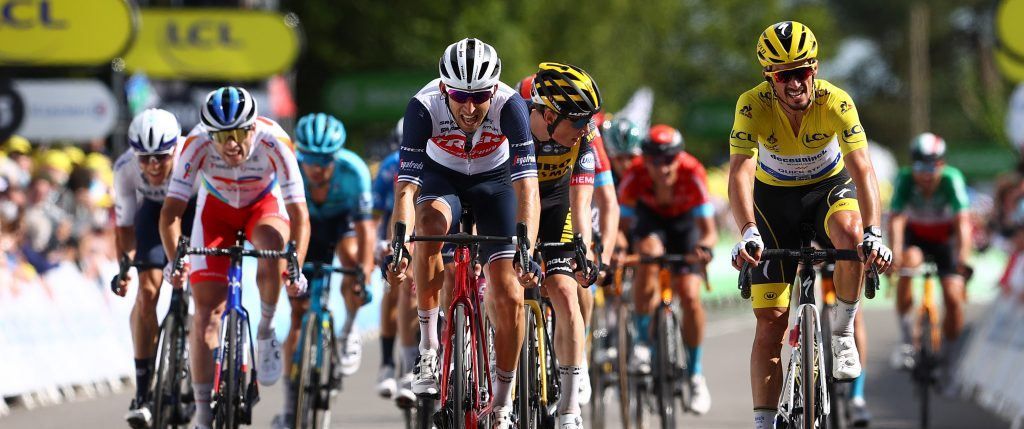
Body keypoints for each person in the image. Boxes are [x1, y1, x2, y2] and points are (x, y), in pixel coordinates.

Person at [726, 22, 892, 429]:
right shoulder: (752, 105)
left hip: (828, 191)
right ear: (770, 78)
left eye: (802, 71)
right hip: (773, 201)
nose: (795, 83)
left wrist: (875, 232)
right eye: (785, 75)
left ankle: (842, 331)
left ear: (814, 69)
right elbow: (740, 173)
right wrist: (748, 230)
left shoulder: (837, 102)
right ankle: (764, 421)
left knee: (852, 237)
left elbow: (863, 167)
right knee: (770, 322)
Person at [385, 38, 540, 428]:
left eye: (479, 97)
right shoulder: (423, 107)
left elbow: (527, 190)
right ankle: (428, 346)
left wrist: (527, 249)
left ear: (494, 90)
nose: (469, 108)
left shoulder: (510, 106)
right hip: (443, 180)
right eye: (459, 96)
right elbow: (406, 189)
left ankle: (502, 404)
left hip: (496, 183)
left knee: (507, 294)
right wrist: (399, 245)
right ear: (443, 89)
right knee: (430, 227)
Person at [159, 86, 310, 429]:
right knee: (205, 317)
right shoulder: (195, 144)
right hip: (216, 211)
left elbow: (299, 215)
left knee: (272, 248)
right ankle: (201, 414)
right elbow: (171, 213)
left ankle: (267, 328)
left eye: (239, 133)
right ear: (209, 134)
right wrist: (174, 259)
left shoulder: (275, 141)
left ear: (253, 128)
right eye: (222, 136)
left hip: (263, 207)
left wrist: (295, 264)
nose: (231, 144)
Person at [271, 112, 376, 428]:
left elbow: (366, 230)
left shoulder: (353, 171)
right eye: (311, 159)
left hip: (340, 225)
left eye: (326, 160)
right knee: (297, 315)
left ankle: (350, 327)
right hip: (303, 227)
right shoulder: (288, 169)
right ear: (300, 155)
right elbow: (280, 225)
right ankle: (291, 404)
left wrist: (363, 275)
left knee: (352, 258)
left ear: (337, 155)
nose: (318, 168)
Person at [521, 62, 602, 428]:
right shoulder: (513, 125)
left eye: (590, 119)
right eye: (579, 119)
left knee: (566, 293)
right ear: (550, 114)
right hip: (515, 202)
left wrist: (583, 247)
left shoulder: (585, 135)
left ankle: (570, 409)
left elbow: (581, 199)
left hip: (557, 205)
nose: (587, 128)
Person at [618, 124, 716, 414]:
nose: (664, 168)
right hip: (652, 224)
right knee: (648, 255)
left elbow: (708, 231)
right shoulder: (634, 174)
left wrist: (705, 250)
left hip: (685, 226)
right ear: (646, 160)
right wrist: (620, 250)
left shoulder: (693, 171)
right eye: (656, 162)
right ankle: (642, 342)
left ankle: (696, 373)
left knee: (689, 296)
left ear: (680, 157)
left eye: (670, 160)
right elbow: (622, 230)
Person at [112, 109, 197, 428]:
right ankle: (144, 391)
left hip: (194, 214)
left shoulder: (195, 157)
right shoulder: (125, 168)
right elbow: (124, 226)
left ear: (176, 148)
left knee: (205, 291)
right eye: (144, 158)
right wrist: (125, 268)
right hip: (153, 215)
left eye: (161, 156)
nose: (152, 166)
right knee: (147, 295)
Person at [889, 133, 972, 365]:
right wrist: (895, 253)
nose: (926, 174)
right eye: (920, 165)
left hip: (946, 240)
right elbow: (896, 220)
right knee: (908, 264)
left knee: (954, 298)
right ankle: (907, 342)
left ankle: (948, 355)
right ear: (911, 165)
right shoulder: (904, 178)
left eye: (933, 165)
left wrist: (962, 258)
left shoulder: (951, 179)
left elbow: (963, 223)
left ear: (942, 164)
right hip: (916, 239)